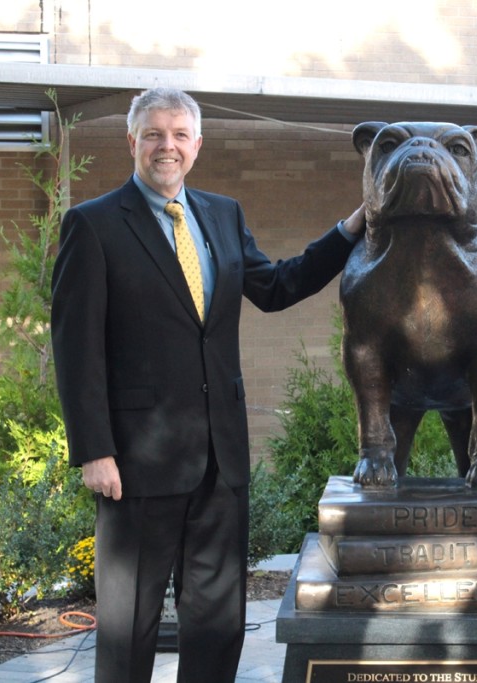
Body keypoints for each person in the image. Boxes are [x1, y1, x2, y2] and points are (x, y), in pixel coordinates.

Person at [51, 87, 363, 682]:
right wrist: (94, 449)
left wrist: (349, 229)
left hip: (221, 460)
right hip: (136, 465)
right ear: (132, 142)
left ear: (197, 145)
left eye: (178, 135)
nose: (166, 146)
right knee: (129, 627)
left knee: (218, 624)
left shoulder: (222, 215)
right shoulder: (92, 226)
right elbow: (76, 346)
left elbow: (276, 287)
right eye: (153, 134)